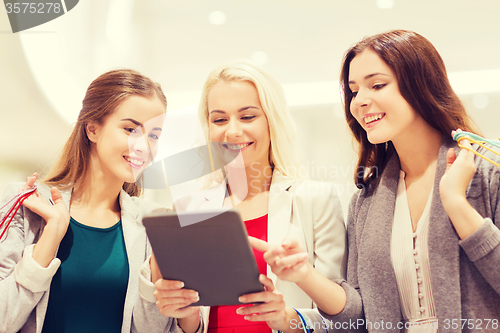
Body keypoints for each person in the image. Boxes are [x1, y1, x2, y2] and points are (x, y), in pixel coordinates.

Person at [262, 29, 500, 333]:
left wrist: (456, 203)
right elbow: (362, 318)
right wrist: (303, 274)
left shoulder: (487, 170)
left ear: (420, 84)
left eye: (377, 85)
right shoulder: (366, 201)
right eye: (354, 91)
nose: (360, 101)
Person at [150, 61, 347, 333]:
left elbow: (342, 319)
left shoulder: (316, 199)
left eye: (247, 116)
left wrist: (285, 318)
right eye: (219, 119)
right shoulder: (188, 207)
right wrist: (186, 314)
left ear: (271, 121)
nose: (231, 131)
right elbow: (192, 324)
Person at [0, 69, 197, 333]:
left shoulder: (154, 225)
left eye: (153, 135)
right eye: (130, 129)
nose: (143, 146)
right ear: (92, 129)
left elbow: (155, 328)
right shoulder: (28, 205)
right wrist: (50, 238)